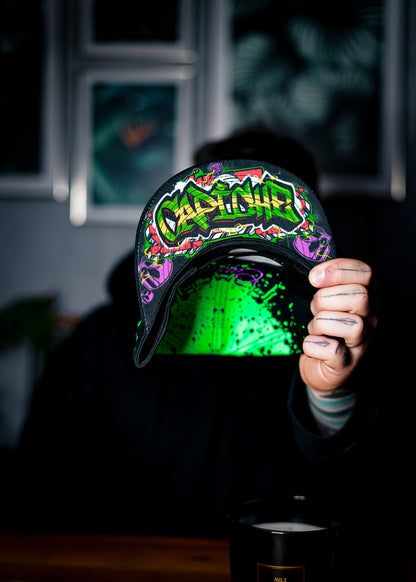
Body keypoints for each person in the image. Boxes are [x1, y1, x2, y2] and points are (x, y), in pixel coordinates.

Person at [5, 128, 412, 579]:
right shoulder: (102, 340)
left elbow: (368, 498)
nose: (237, 240)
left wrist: (334, 397)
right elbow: (39, 489)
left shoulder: (346, 342)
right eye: (219, 207)